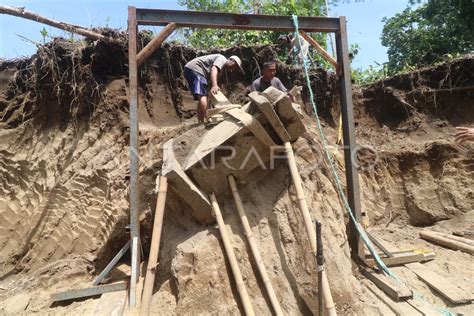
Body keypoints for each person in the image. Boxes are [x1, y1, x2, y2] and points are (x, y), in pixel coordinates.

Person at [184, 54, 243, 123]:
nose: (233, 69)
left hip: (193, 70)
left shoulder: (222, 68)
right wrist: (214, 85)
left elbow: (212, 76)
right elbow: (214, 69)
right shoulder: (222, 59)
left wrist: (212, 87)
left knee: (203, 96)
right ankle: (208, 119)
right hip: (195, 69)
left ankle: (201, 121)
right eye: (235, 66)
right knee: (203, 95)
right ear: (231, 60)